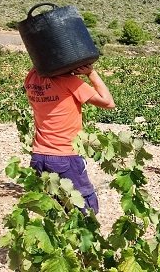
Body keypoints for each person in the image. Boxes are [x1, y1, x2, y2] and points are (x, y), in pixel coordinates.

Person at [24, 64, 115, 214]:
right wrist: (91, 73)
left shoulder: (31, 79)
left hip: (38, 156)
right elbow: (108, 102)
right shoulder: (69, 82)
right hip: (65, 157)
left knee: (54, 209)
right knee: (85, 211)